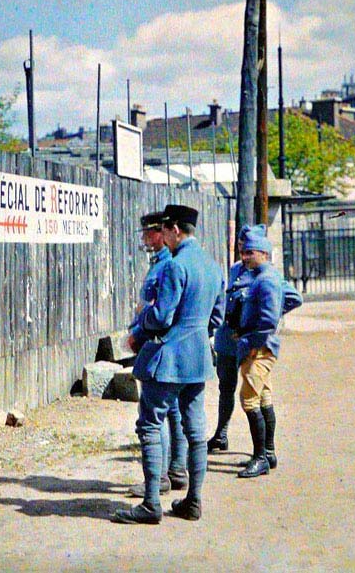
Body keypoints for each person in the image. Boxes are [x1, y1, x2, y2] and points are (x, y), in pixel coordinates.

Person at [112, 204, 225, 524]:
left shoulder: (177, 266)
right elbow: (216, 318)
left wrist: (139, 330)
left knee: (149, 423)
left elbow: (161, 316)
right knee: (195, 429)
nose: (164, 235)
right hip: (198, 359)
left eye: (166, 229)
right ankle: (193, 501)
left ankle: (151, 504)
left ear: (176, 230)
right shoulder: (212, 266)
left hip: (170, 358)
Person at [126, 211, 187, 498]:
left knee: (156, 416)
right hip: (165, 344)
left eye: (149, 233)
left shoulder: (166, 267)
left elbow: (158, 311)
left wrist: (138, 333)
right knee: (172, 410)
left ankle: (162, 475)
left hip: (157, 345)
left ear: (163, 234)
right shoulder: (164, 263)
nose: (145, 238)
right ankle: (176, 469)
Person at [234, 226, 303, 478]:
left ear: (263, 253)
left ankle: (260, 457)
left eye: (249, 252)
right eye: (243, 252)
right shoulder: (263, 276)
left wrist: (253, 340)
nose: (245, 257)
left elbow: (267, 320)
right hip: (257, 346)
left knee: (248, 399)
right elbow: (292, 300)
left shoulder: (266, 280)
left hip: (259, 349)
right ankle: (269, 452)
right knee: (263, 398)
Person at [206, 225, 254, 453]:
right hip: (227, 338)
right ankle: (221, 434)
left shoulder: (264, 272)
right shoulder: (234, 269)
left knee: (255, 392)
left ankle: (262, 448)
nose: (243, 250)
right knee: (226, 387)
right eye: (241, 245)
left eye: (248, 246)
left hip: (247, 340)